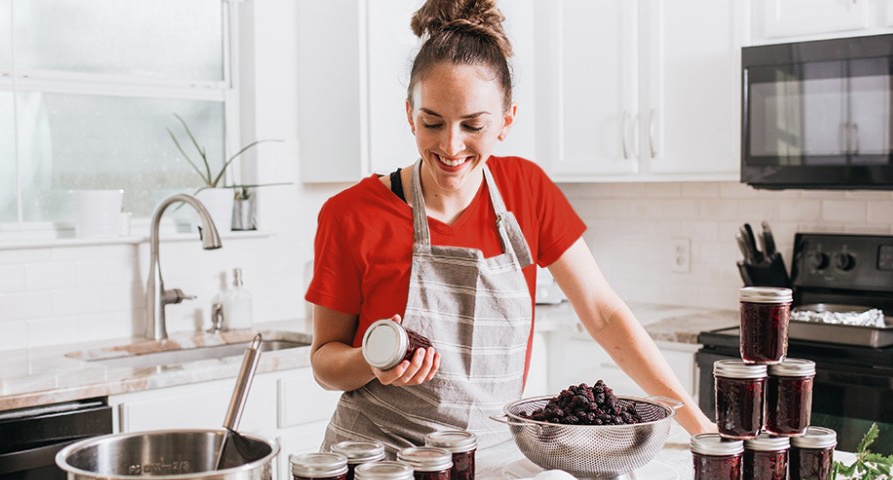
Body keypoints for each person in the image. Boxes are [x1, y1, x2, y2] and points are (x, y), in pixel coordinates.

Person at [306, 0, 716, 453]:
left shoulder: (527, 191)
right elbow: (325, 362)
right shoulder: (350, 214)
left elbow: (604, 315)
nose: (451, 145)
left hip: (489, 457)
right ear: (409, 114)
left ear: (506, 121)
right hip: (375, 457)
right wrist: (371, 360)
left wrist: (699, 426)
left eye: (473, 125)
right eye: (432, 122)